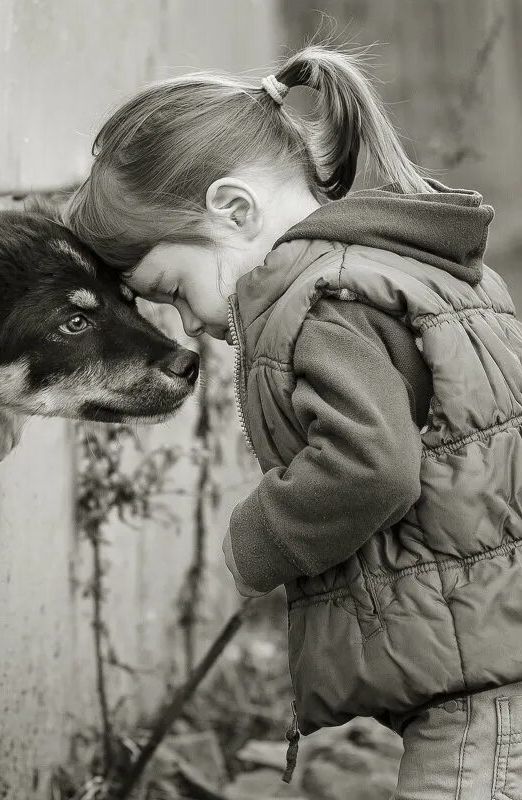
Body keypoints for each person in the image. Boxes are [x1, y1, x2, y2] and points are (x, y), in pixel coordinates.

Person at [58, 44, 522, 800]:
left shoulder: (323, 304)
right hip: (491, 646)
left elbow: (372, 465)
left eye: (173, 287)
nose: (187, 320)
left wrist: (262, 536)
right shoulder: (396, 269)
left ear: (235, 210)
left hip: (488, 683)